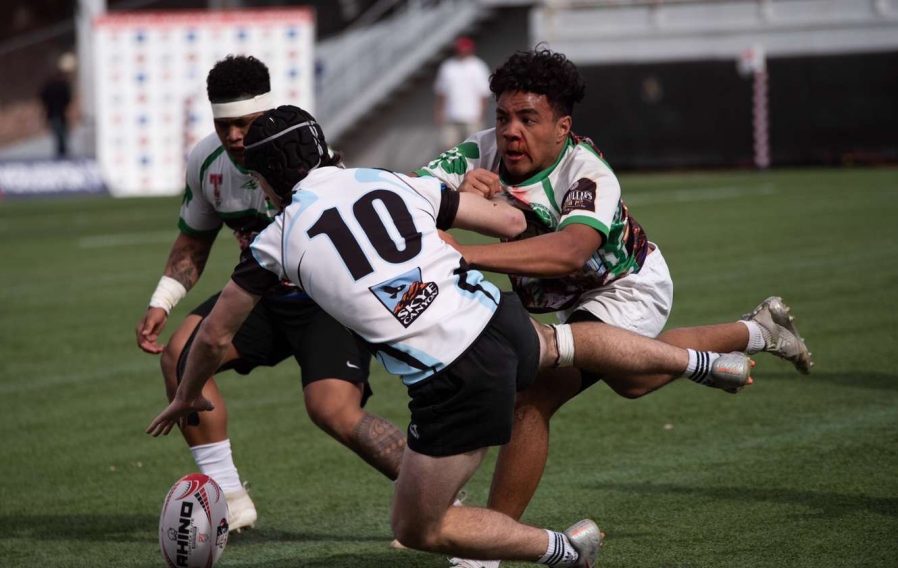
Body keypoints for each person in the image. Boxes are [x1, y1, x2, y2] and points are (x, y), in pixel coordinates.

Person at [146, 105, 754, 566]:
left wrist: (186, 392)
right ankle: (703, 361)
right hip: (498, 321)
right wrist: (476, 197)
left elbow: (216, 333)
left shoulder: (276, 241)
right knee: (563, 343)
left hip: (453, 382)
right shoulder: (386, 180)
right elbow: (511, 221)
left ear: (264, 180)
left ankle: (565, 551)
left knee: (421, 529)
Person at [415, 48, 812, 567]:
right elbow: (405, 207)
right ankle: (757, 330)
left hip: (628, 285)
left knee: (533, 398)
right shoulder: (479, 154)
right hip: (567, 303)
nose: (511, 131)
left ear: (562, 126)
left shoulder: (586, 170)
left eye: (528, 119)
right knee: (633, 380)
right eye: (504, 116)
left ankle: (486, 551)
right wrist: (456, 200)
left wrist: (465, 251)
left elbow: (570, 251)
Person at [134, 56, 406, 532]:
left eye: (245, 123)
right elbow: (194, 242)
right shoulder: (207, 162)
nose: (235, 135)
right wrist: (163, 298)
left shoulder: (301, 155)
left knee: (333, 411)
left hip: (327, 298)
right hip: (259, 297)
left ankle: (441, 502)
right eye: (224, 124)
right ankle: (229, 499)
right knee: (180, 356)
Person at [434, 36, 492, 150]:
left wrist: (481, 114)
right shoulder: (448, 66)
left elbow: (484, 94)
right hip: (450, 116)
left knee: (472, 150)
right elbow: (441, 92)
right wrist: (439, 111)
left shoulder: (478, 66)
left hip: (472, 116)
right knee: (448, 148)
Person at [39, 53, 74, 158]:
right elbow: (67, 98)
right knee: (61, 134)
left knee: (59, 134)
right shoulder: (60, 85)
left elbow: (42, 97)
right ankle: (62, 153)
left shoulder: (50, 85)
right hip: (58, 113)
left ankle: (61, 153)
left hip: (55, 112)